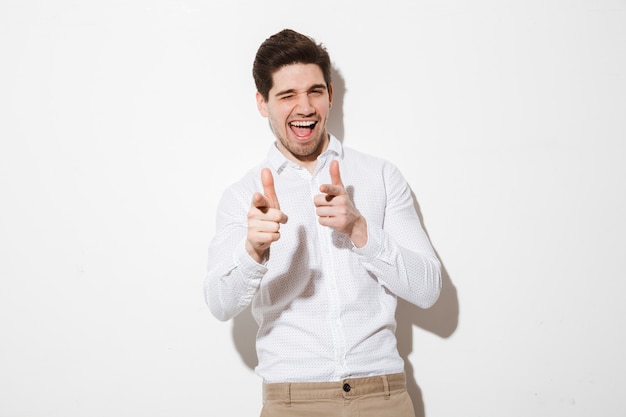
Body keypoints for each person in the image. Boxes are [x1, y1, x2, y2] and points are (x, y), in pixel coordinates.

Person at [204, 28, 442, 417]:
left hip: (382, 396)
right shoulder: (242, 195)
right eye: (287, 95)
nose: (305, 107)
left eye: (315, 91)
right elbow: (218, 303)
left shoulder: (380, 176)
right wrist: (253, 252)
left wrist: (361, 232)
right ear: (263, 103)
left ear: (330, 95)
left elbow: (429, 289)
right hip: (292, 401)